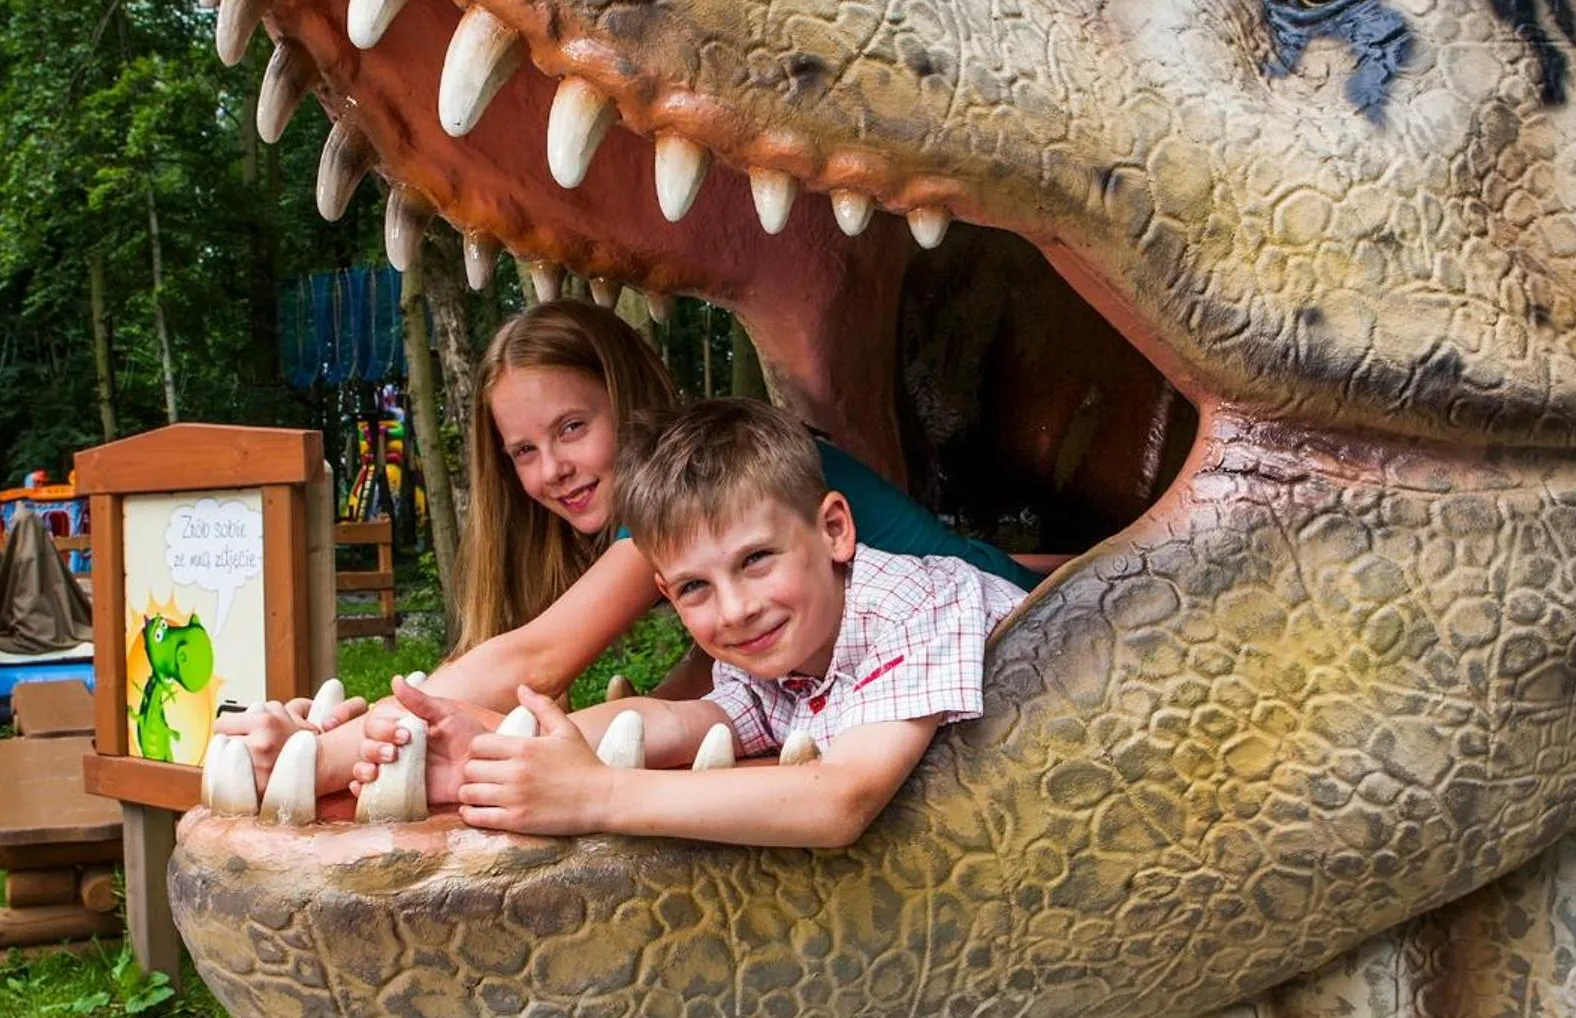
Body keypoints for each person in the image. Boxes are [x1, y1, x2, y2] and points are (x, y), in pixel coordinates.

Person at [220, 299, 1046, 795]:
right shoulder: (726, 577)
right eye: (525, 452)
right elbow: (678, 712)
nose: (554, 470)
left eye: (574, 428)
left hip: (1017, 651)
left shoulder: (709, 483)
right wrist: (438, 738)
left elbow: (537, 656)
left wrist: (320, 753)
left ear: (629, 399)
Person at [272, 399, 1025, 846]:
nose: (734, 610)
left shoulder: (913, 604)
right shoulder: (777, 645)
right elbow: (672, 722)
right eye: (695, 587)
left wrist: (597, 797)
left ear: (834, 530)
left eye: (758, 559)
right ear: (664, 588)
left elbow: (841, 801)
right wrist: (497, 748)